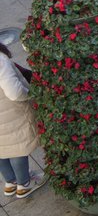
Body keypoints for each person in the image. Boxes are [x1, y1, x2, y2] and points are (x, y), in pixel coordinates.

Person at [0, 40, 43, 198]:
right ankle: (24, 184)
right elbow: (15, 92)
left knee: (2, 150)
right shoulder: (0, 60)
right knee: (18, 147)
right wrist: (29, 94)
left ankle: (10, 182)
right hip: (11, 114)